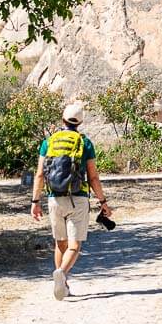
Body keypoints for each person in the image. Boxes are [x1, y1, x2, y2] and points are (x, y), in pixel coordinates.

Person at [31, 101, 113, 300]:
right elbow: (93, 177)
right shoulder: (85, 143)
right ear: (80, 122)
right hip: (78, 199)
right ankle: (62, 274)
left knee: (60, 243)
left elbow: (40, 174)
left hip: (54, 199)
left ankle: (62, 282)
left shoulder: (48, 142)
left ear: (63, 120)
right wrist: (103, 201)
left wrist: (35, 202)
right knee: (74, 246)